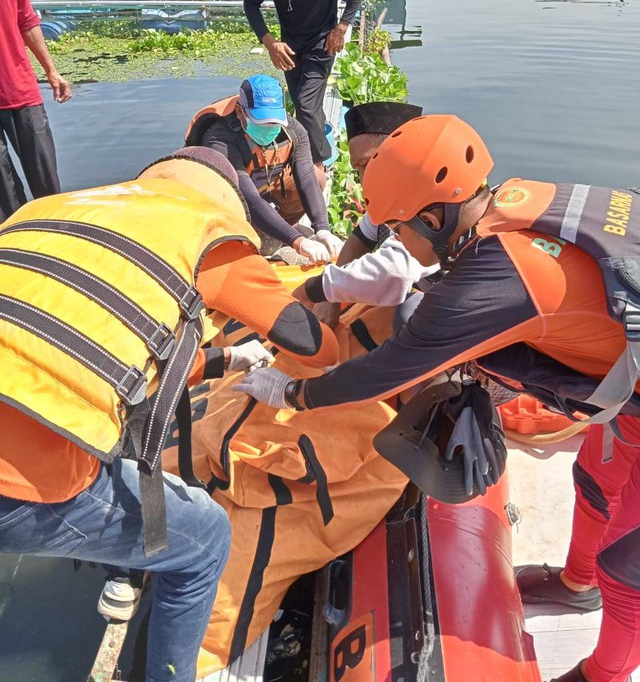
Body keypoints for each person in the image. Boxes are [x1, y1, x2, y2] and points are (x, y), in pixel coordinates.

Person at [237, 114, 640, 682]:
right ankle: (576, 588)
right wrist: (323, 285)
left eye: (399, 227)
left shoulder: (497, 277)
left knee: (629, 569)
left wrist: (295, 391)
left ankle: (602, 674)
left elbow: (387, 369)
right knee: (597, 482)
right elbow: (405, 274)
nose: (397, 238)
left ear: (433, 216)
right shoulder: (518, 201)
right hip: (630, 385)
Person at [0, 146, 339, 682]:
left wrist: (221, 357)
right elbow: (316, 346)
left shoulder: (47, 210)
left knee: (115, 433)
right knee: (204, 538)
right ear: (229, 206)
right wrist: (327, 288)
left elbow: (100, 337)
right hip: (17, 472)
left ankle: (123, 564)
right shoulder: (209, 237)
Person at [292, 101, 440, 329]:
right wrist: (332, 300)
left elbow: (395, 270)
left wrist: (314, 290)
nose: (363, 177)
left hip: (449, 311)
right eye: (357, 168)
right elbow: (358, 241)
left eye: (367, 163)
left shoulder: (431, 203)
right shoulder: (387, 198)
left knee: (408, 312)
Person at [244, 0, 366, 168]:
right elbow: (250, 3)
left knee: (306, 105)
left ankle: (317, 163)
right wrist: (270, 43)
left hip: (323, 42)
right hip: (288, 44)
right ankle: (322, 137)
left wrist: (342, 26)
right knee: (303, 99)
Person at [185, 74, 342, 262]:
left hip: (265, 184)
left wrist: (323, 229)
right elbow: (247, 196)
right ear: (240, 112)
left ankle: (284, 226)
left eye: (274, 122)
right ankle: (254, 237)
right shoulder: (220, 140)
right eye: (261, 122)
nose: (269, 128)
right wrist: (297, 241)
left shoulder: (294, 130)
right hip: (232, 198)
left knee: (317, 177)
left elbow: (306, 178)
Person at [0, 0, 71, 223]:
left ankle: (58, 239)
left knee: (47, 185)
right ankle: (18, 251)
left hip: (18, 85)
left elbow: (25, 17)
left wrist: (51, 71)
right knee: (4, 195)